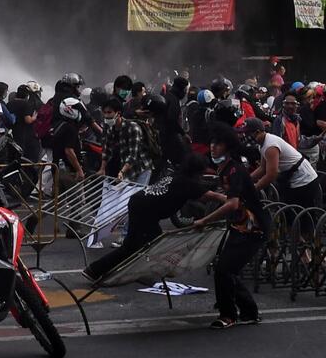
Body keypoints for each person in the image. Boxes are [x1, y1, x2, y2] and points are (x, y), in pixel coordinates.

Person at [84, 154, 223, 280]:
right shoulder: (188, 183)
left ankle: (141, 271)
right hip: (144, 209)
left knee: (147, 241)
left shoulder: (177, 175)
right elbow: (212, 196)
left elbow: (202, 194)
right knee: (140, 245)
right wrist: (231, 199)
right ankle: (97, 270)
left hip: (140, 203)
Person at [192, 125, 269, 328]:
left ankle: (228, 315)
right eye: (212, 143)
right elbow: (231, 198)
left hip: (253, 228)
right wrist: (211, 195)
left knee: (224, 270)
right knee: (227, 270)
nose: (213, 147)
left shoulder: (234, 170)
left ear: (227, 147)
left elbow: (233, 203)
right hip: (240, 226)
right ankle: (248, 312)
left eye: (218, 144)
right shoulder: (224, 168)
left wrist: (205, 220)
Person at [244, 117, 321, 209]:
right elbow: (262, 168)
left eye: (247, 133)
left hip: (304, 180)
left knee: (300, 213)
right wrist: (246, 181)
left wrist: (253, 189)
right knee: (289, 210)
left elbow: (271, 175)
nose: (245, 136)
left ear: (257, 132)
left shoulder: (270, 146)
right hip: (294, 178)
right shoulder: (263, 144)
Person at [100, 98, 153, 186]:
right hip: (126, 169)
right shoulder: (110, 128)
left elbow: (133, 156)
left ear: (118, 113)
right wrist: (102, 169)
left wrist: (122, 172)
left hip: (140, 168)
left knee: (137, 193)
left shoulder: (133, 128)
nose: (106, 116)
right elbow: (107, 151)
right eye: (104, 112)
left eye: (109, 112)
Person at [51, 97, 87, 192]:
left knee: (58, 199)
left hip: (57, 167)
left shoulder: (58, 124)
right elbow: (69, 151)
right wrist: (79, 169)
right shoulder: (71, 128)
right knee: (76, 199)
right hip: (68, 170)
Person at [7, 86, 41, 162]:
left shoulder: (9, 104)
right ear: (27, 95)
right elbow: (28, 120)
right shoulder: (26, 104)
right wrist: (34, 117)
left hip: (11, 133)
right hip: (22, 133)